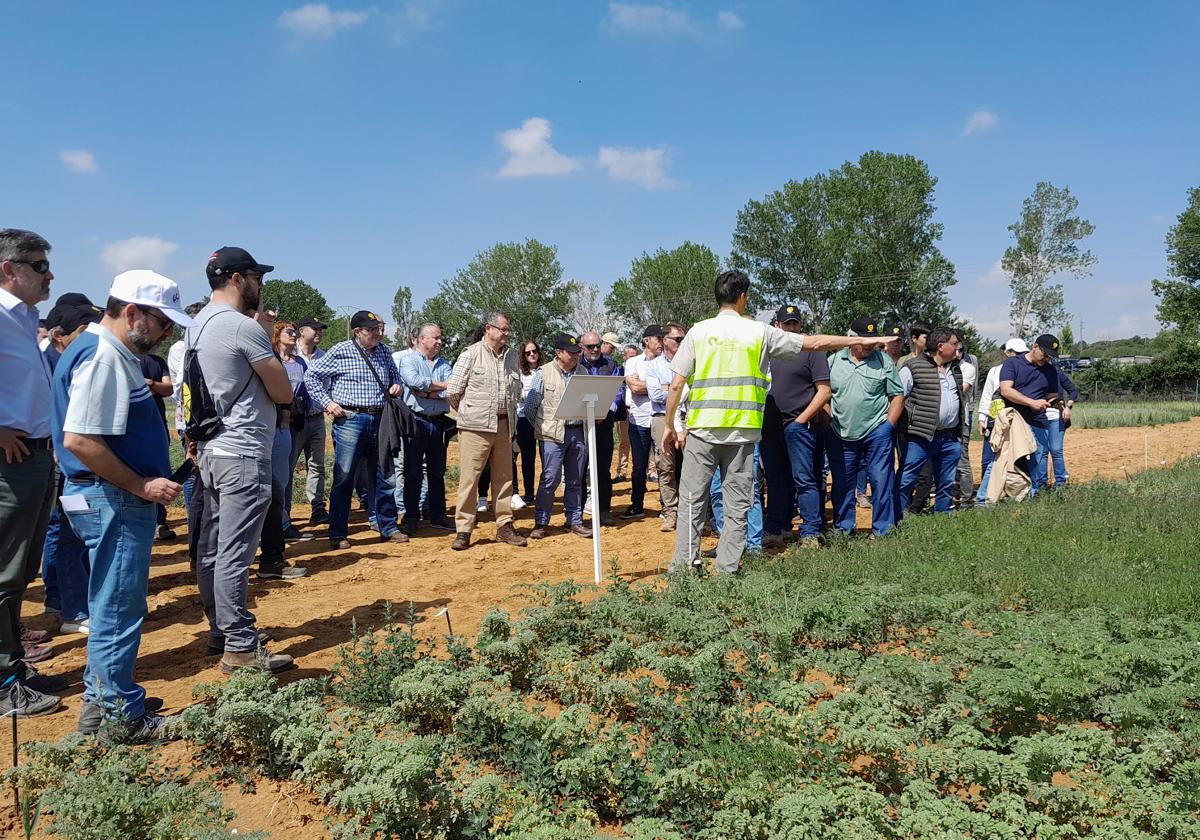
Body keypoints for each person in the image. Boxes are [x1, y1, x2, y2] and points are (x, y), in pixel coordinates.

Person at [662, 272, 894, 575]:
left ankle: (684, 568)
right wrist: (859, 340)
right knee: (738, 505)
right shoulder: (758, 332)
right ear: (743, 297)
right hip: (742, 433)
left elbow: (677, 383)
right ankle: (727, 570)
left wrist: (670, 425)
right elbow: (814, 343)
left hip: (703, 431)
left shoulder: (698, 332)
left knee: (692, 501)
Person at [54, 269, 194, 739]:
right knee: (117, 606)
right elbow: (79, 439)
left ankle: (102, 704)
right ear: (132, 312)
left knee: (111, 602)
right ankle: (121, 717)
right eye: (162, 322)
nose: (165, 333)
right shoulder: (103, 357)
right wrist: (141, 485)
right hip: (112, 496)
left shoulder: (102, 351)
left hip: (103, 496)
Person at [188, 246, 296, 674]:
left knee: (213, 550)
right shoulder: (241, 328)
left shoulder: (196, 326)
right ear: (237, 279)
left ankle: (221, 628)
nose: (260, 286)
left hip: (214, 450)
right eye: (257, 277)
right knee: (235, 553)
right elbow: (284, 390)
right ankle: (240, 646)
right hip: (244, 451)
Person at [0, 229, 64, 716]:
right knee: (4, 573)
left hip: (37, 457)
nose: (50, 275)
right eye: (39, 266)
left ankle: (12, 664)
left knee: (20, 572)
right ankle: (4, 682)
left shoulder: (23, 320)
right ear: (9, 269)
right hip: (11, 462)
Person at [305, 310, 407, 549]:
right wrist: (327, 403)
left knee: (384, 476)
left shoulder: (384, 351)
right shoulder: (341, 350)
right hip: (350, 419)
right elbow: (312, 377)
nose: (377, 334)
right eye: (371, 330)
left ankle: (388, 526)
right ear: (357, 332)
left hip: (380, 419)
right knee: (345, 477)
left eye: (379, 329)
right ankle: (338, 533)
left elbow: (396, 377)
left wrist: (396, 386)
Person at [39, 301, 101, 634]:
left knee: (68, 534)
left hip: (66, 462)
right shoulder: (49, 361)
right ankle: (70, 608)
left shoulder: (67, 357)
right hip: (59, 462)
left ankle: (67, 601)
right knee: (64, 535)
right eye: (83, 330)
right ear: (60, 335)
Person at [444, 312, 528, 550]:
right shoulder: (470, 354)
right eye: (503, 329)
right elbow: (454, 391)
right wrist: (470, 414)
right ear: (489, 329)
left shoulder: (512, 356)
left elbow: (516, 390)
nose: (507, 333)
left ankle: (504, 525)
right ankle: (464, 530)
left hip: (504, 425)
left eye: (508, 329)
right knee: (470, 479)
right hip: (475, 428)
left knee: (504, 479)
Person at [825, 317, 905, 538]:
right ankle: (844, 530)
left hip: (876, 432)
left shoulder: (884, 361)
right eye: (864, 341)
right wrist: (830, 420)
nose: (869, 346)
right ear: (851, 339)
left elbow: (897, 395)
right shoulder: (834, 361)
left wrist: (888, 425)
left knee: (881, 482)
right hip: (840, 433)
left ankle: (883, 530)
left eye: (872, 341)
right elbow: (824, 393)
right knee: (842, 483)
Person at [761, 305, 831, 548]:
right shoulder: (768, 351)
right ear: (777, 325)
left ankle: (811, 531)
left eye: (795, 323)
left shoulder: (812, 350)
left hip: (798, 424)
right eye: (787, 323)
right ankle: (777, 528)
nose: (791, 327)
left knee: (804, 479)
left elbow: (824, 391)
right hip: (770, 426)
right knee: (776, 480)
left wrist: (801, 420)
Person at [526, 333, 591, 538]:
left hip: (577, 432)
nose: (575, 356)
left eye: (577, 352)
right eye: (570, 353)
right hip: (551, 436)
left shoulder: (583, 372)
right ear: (558, 353)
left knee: (575, 479)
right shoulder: (543, 373)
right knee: (550, 478)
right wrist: (543, 427)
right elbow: (530, 408)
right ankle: (541, 522)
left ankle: (574, 520)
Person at [896, 328, 966, 517]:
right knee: (906, 479)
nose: (958, 348)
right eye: (954, 344)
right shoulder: (913, 367)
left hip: (950, 437)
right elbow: (897, 398)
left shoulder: (956, 369)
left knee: (946, 481)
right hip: (920, 437)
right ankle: (895, 518)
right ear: (941, 347)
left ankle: (942, 516)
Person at [398, 323, 454, 535]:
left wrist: (428, 392)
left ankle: (437, 514)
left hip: (439, 422)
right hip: (416, 421)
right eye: (436, 338)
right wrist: (440, 386)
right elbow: (414, 381)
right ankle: (411, 516)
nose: (440, 341)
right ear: (422, 339)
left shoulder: (444, 363)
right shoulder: (408, 360)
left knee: (437, 471)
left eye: (440, 338)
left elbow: (453, 386)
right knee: (412, 471)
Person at [999, 334, 1063, 496]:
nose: (1047, 359)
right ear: (1034, 347)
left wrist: (1056, 401)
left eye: (1050, 357)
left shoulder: (1050, 370)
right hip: (1015, 421)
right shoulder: (1012, 364)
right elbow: (1006, 390)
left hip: (1039, 421)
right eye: (1045, 354)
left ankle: (1035, 492)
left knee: (1039, 455)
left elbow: (1051, 394)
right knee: (1010, 458)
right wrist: (1031, 402)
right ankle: (1007, 493)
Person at [577, 330, 624, 526]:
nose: (595, 349)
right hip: (579, 425)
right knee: (578, 470)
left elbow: (618, 391)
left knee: (602, 470)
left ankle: (604, 510)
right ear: (582, 348)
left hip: (604, 424)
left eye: (597, 345)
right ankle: (576, 514)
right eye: (590, 346)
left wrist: (605, 410)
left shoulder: (612, 365)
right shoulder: (575, 365)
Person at [974, 339, 1028, 505]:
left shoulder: (1026, 370)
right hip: (994, 421)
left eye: (1022, 353)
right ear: (1007, 353)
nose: (1019, 356)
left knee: (1015, 458)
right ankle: (989, 493)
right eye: (1016, 353)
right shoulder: (995, 371)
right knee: (988, 459)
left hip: (1015, 421)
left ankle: (1008, 493)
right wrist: (982, 417)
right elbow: (987, 395)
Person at [646, 322, 686, 531]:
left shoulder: (692, 361)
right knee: (665, 467)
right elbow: (655, 394)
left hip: (688, 417)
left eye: (683, 338)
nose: (681, 342)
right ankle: (671, 513)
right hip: (662, 418)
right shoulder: (653, 366)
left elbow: (690, 391)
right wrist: (677, 389)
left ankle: (695, 515)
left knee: (692, 467)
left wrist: (669, 388)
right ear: (665, 341)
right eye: (678, 339)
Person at [621, 326, 662, 519]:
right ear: (647, 341)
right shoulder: (633, 362)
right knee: (639, 466)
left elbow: (675, 387)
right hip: (639, 421)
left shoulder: (667, 362)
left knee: (665, 465)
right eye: (658, 338)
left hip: (661, 419)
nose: (662, 341)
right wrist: (659, 386)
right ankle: (637, 505)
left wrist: (648, 385)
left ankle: (668, 507)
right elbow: (634, 387)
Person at [292, 316, 329, 525]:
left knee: (317, 465)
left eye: (320, 329)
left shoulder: (324, 357)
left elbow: (329, 385)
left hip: (316, 419)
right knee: (288, 466)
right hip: (294, 420)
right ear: (302, 331)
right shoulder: (289, 353)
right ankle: (283, 513)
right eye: (314, 329)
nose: (318, 332)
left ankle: (317, 508)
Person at [139, 348, 175, 541]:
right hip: (136, 429)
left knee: (159, 472)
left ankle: (160, 522)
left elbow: (169, 389)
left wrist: (151, 383)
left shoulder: (155, 360)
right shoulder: (122, 358)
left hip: (158, 425)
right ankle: (147, 522)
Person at [514, 339, 544, 511]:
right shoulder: (519, 373)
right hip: (524, 419)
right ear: (523, 356)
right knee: (528, 457)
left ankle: (544, 492)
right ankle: (529, 493)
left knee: (547, 456)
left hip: (544, 418)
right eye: (528, 353)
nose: (532, 355)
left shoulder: (545, 371)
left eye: (534, 351)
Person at [1045, 366, 1078, 489]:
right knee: (1041, 452)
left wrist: (1068, 407)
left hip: (1056, 416)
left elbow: (1073, 391)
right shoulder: (1033, 372)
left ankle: (1061, 485)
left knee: (1056, 450)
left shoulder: (1057, 372)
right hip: (1038, 416)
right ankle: (1041, 484)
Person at [614, 342, 638, 481]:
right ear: (624, 357)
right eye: (630, 356)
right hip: (624, 411)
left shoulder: (640, 370)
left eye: (635, 356)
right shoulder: (619, 371)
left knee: (642, 442)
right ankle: (622, 472)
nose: (632, 359)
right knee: (624, 442)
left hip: (639, 410)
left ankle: (651, 470)